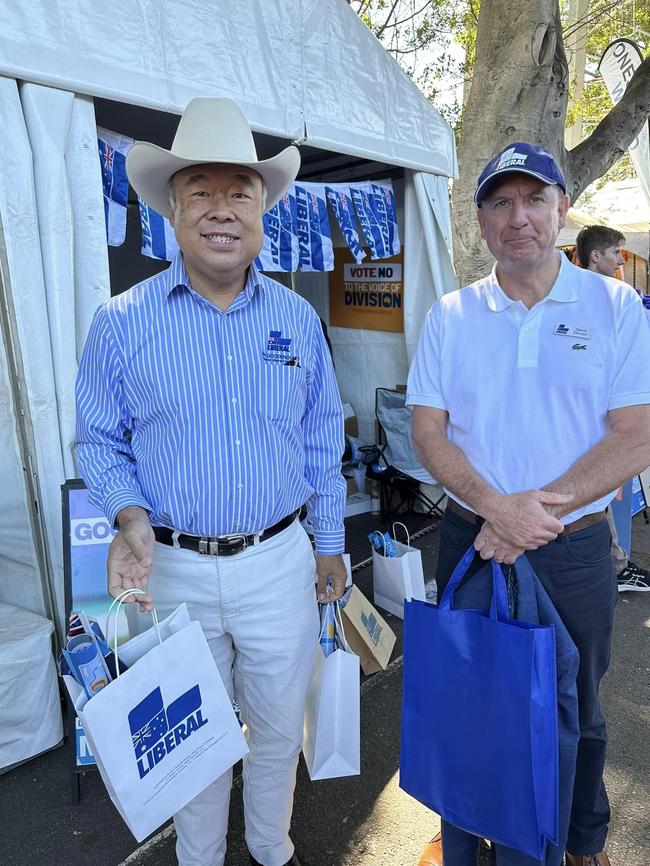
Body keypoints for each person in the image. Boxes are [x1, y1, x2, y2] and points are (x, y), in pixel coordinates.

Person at [75, 97, 347, 866]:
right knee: (194, 738)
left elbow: (322, 436)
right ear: (170, 206)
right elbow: (96, 439)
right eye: (201, 190)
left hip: (278, 564)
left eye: (241, 191)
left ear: (264, 207)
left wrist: (330, 546)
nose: (221, 209)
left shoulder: (295, 320)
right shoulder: (121, 322)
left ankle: (270, 847)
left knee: (274, 725)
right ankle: (199, 861)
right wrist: (128, 516)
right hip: (174, 569)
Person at [407, 143, 650, 866]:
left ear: (562, 209)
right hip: (471, 534)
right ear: (480, 221)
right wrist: (495, 510)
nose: (520, 218)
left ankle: (580, 838)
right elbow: (428, 431)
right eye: (502, 203)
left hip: (571, 547)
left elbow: (637, 434)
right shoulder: (451, 314)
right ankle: (474, 822)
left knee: (580, 698)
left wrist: (529, 514)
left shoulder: (614, 307)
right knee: (472, 690)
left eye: (535, 200)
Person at [576, 224, 650, 593]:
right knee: (595, 492)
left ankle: (616, 564)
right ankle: (616, 568)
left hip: (605, 416)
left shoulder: (608, 295)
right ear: (595, 255)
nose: (622, 259)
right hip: (600, 418)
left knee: (598, 493)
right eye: (616, 252)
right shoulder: (615, 296)